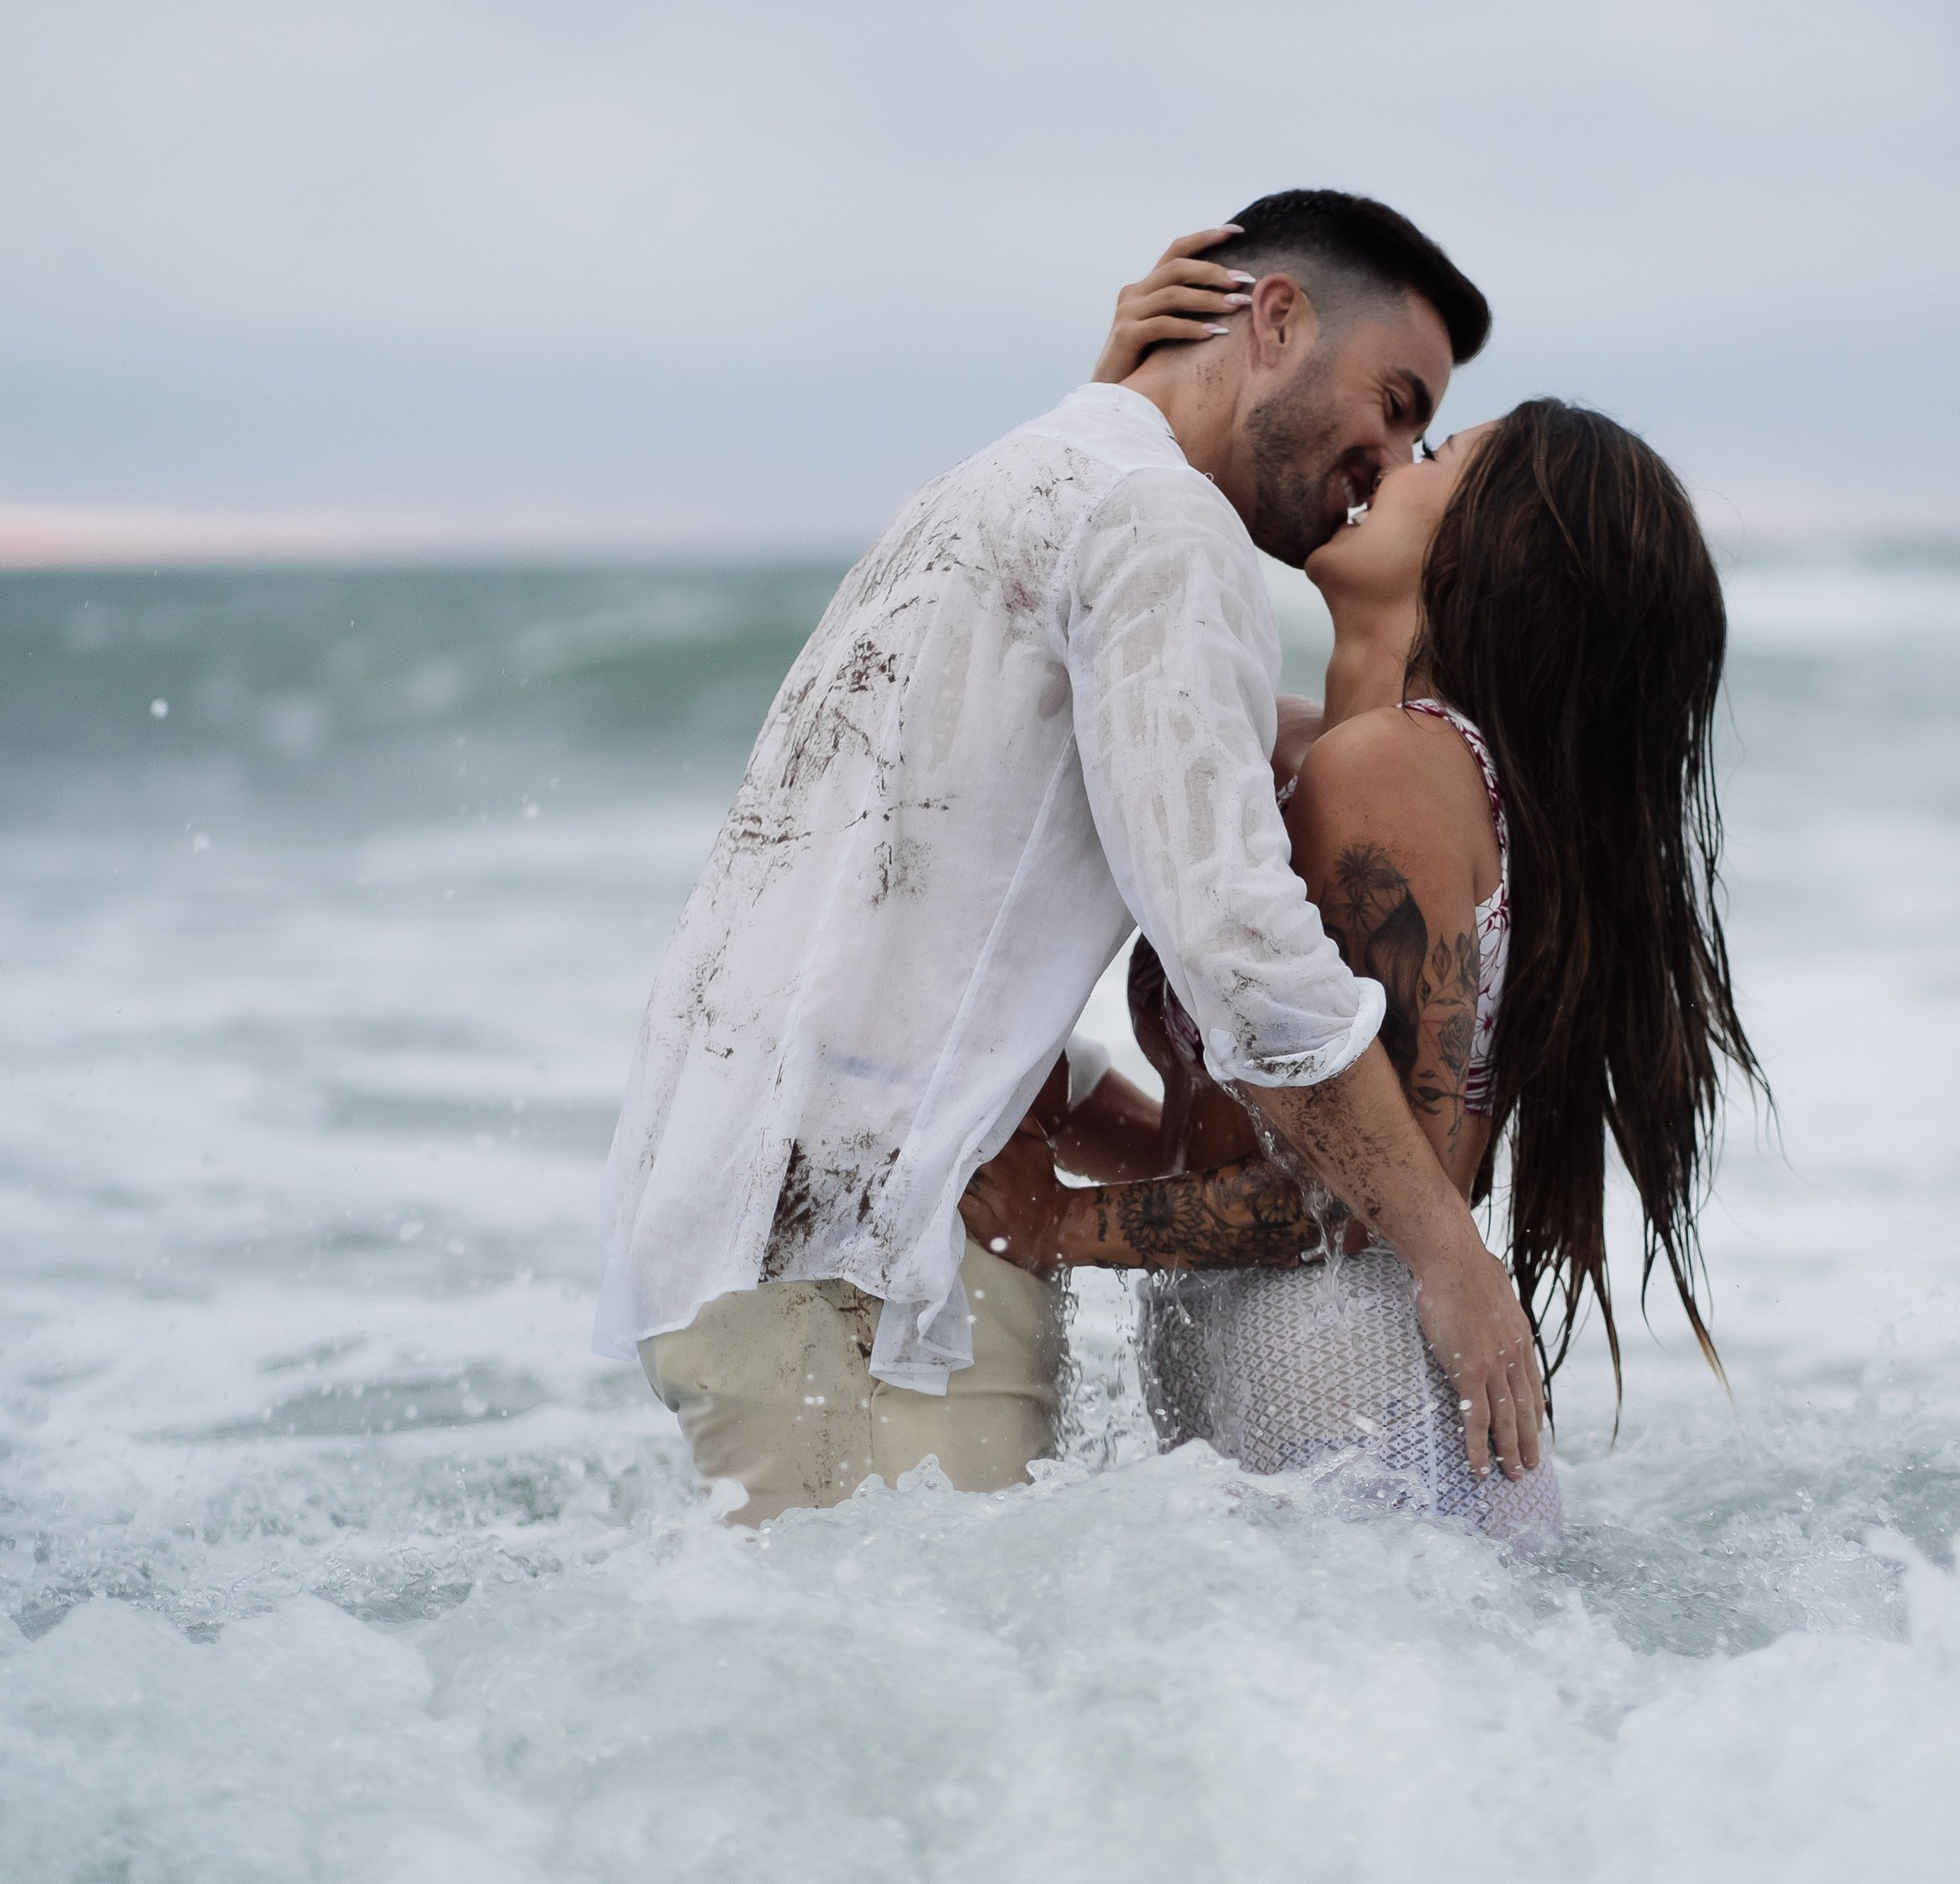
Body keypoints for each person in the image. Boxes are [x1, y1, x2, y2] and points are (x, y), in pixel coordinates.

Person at [595, 191, 1550, 1522]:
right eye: (1393, 406)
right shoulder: (1157, 526)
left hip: (759, 1232)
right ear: (1276, 320)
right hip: (874, 1278)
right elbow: (1235, 941)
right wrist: (1450, 1255)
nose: (1386, 462)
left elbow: (935, 947)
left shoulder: (999, 486)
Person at [961, 246, 1761, 1542]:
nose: (1385, 463)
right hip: (1302, 1388)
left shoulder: (1395, 770)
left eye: (1433, 458)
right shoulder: (1330, 755)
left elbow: (1346, 1196)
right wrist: (1125, 409)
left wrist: (1058, 1221)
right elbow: (1247, 1142)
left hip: (1353, 1395)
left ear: (1500, 555)